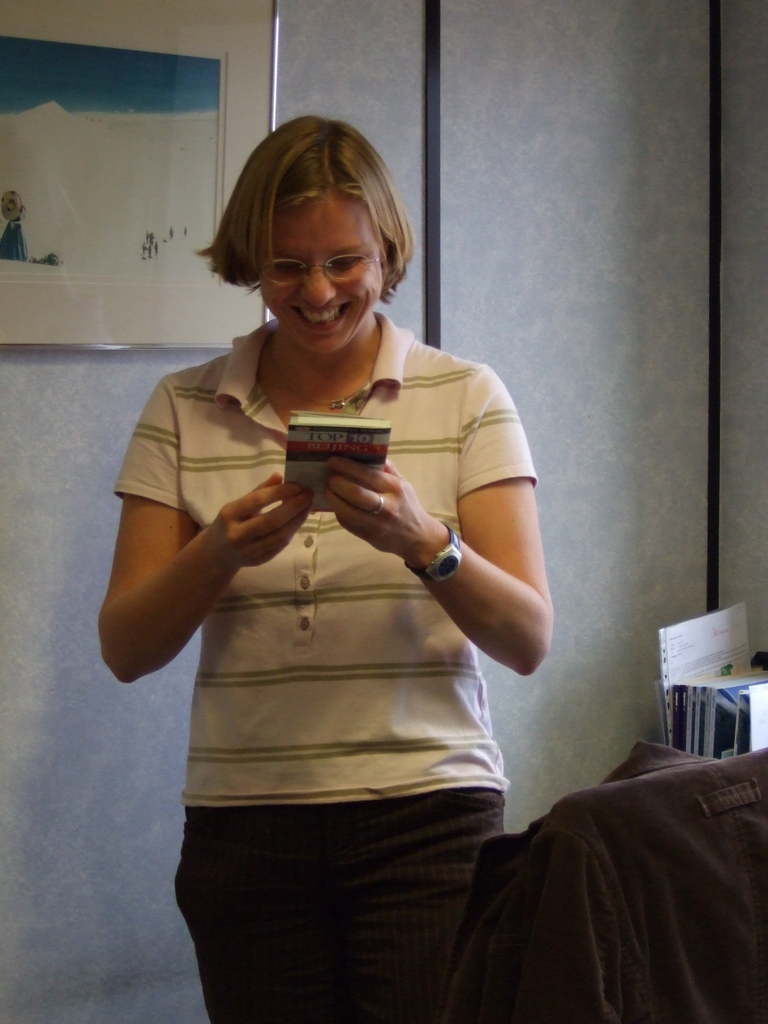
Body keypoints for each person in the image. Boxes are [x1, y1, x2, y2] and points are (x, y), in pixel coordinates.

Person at [98, 115, 553, 1024]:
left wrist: (427, 543)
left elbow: (529, 638)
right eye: (286, 266)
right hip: (244, 826)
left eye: (344, 262)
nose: (316, 292)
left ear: (387, 253)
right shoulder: (182, 405)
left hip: (431, 818)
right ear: (250, 263)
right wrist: (218, 552)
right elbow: (126, 648)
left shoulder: (468, 396)